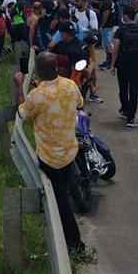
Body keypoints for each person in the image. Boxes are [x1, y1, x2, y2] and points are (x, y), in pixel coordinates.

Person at [19, 52, 86, 253]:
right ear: (56, 67)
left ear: (38, 72)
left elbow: (22, 113)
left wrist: (18, 86)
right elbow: (80, 103)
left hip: (50, 158)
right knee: (70, 182)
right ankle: (81, 204)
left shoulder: (36, 96)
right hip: (70, 149)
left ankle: (75, 244)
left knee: (60, 202)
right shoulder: (70, 85)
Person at [110, 6, 138, 128]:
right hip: (137, 64)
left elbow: (115, 49)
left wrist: (112, 65)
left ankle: (124, 110)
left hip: (122, 64)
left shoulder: (120, 30)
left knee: (123, 88)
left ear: (125, 16)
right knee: (133, 90)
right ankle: (131, 118)